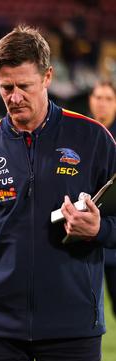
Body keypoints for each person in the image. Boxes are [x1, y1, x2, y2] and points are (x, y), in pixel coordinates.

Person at [0, 25, 116, 361]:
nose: (15, 97)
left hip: (73, 327)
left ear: (48, 76)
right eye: (6, 87)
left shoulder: (94, 140)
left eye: (25, 86)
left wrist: (99, 230)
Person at [88, 80, 116, 318]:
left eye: (108, 98)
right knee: (83, 311)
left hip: (113, 233)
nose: (102, 104)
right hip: (84, 238)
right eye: (98, 97)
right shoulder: (80, 136)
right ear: (90, 101)